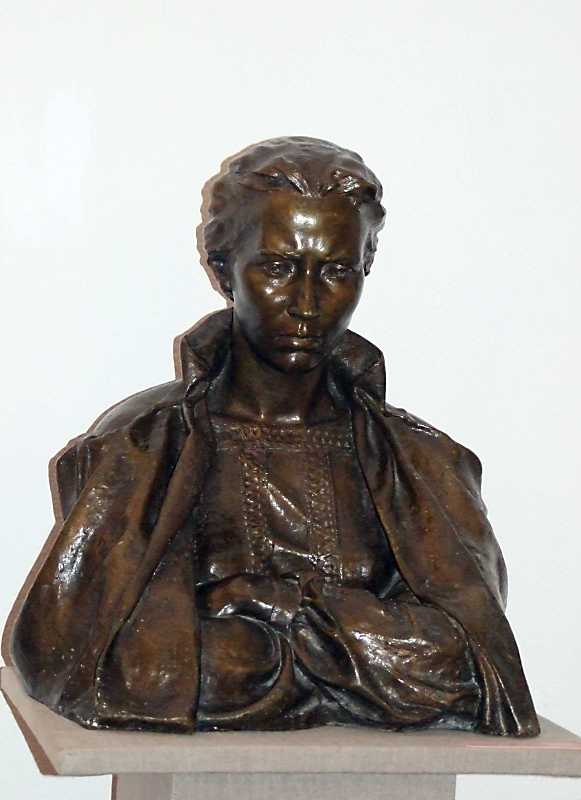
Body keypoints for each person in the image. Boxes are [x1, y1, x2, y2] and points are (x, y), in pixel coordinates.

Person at [8, 137, 539, 736]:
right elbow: (85, 657)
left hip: (315, 724)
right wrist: (353, 642)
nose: (307, 304)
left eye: (336, 272)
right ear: (223, 270)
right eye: (279, 268)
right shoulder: (138, 446)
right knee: (209, 664)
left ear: (365, 270)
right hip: (215, 717)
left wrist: (281, 605)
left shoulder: (424, 460)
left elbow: (473, 659)